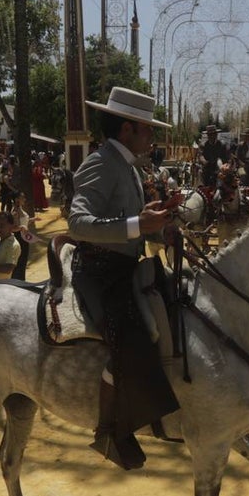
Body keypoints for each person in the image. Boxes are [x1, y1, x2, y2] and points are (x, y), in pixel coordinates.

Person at [70, 86, 179, 470]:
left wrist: (155, 223)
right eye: (148, 129)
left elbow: (128, 222)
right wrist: (137, 223)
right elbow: (78, 222)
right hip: (100, 273)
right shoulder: (101, 163)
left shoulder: (128, 166)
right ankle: (109, 431)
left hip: (125, 266)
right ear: (129, 129)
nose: (153, 136)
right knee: (130, 338)